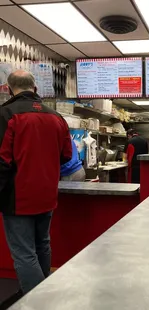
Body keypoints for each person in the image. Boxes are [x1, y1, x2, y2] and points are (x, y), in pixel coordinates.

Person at [0, 70, 72, 294]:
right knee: (42, 244)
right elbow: (67, 155)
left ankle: (38, 303)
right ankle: (44, 297)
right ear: (36, 89)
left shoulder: (6, 114)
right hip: (47, 194)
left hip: (17, 196)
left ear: (8, 89)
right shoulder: (56, 117)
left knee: (24, 253)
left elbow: (2, 160)